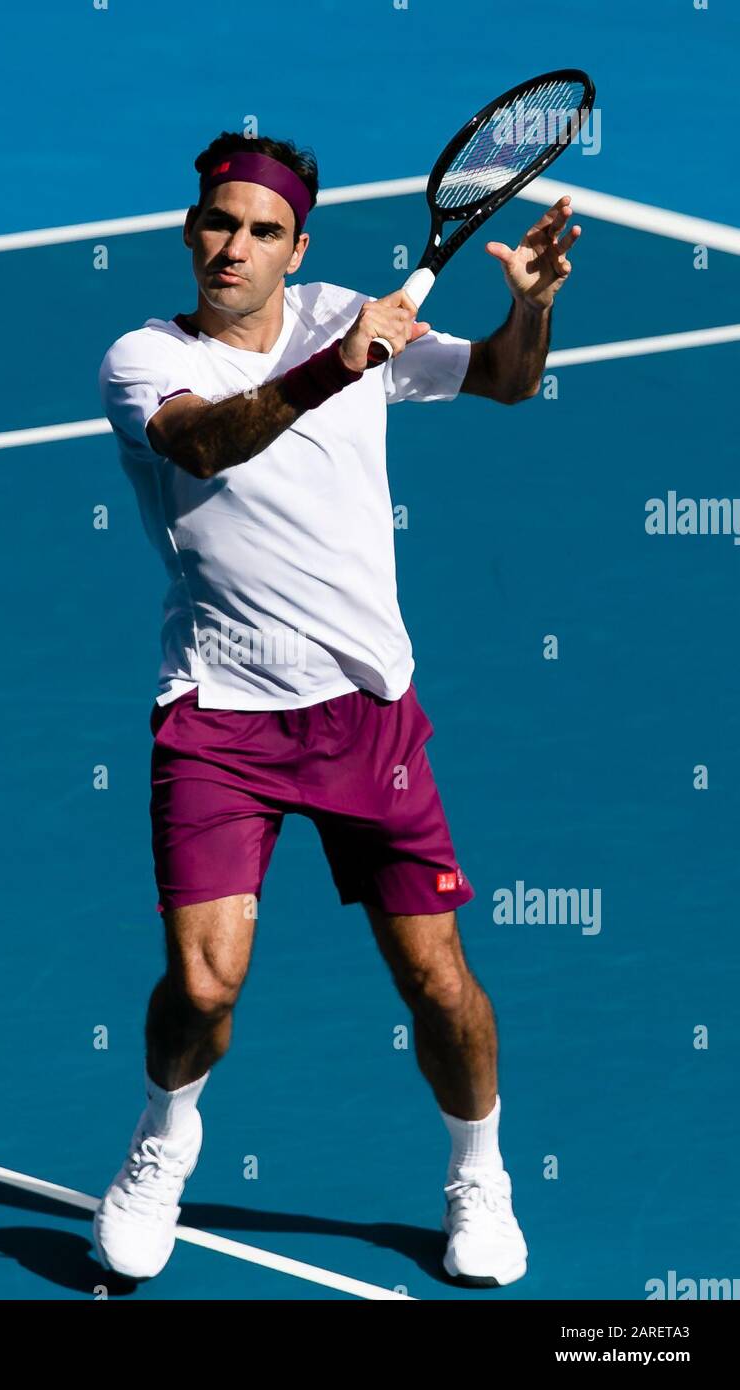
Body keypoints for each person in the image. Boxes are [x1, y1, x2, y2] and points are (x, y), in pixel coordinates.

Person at [95, 131, 581, 1288]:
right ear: (188, 229)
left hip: (368, 716)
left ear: (295, 247)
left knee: (438, 984)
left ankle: (480, 1173)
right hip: (220, 719)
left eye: (264, 231)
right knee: (203, 987)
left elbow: (508, 379)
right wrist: (337, 363)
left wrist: (529, 308)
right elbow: (207, 446)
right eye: (219, 222)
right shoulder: (142, 357)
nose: (235, 246)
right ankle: (164, 1139)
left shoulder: (344, 315)